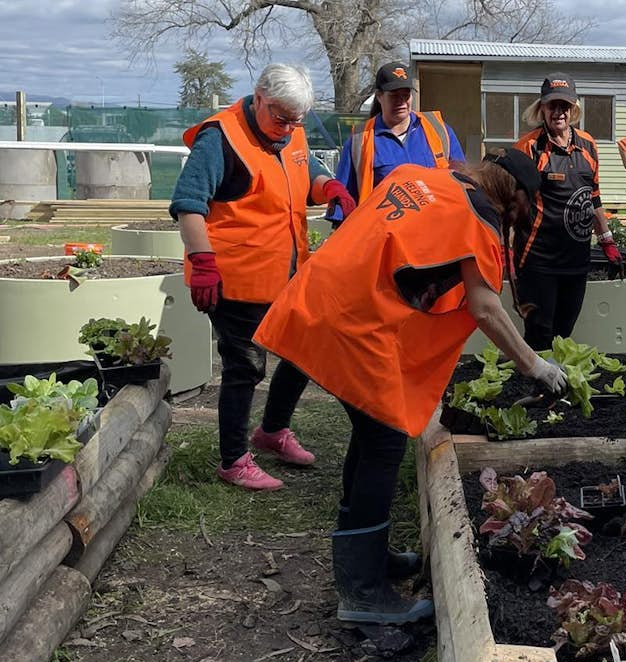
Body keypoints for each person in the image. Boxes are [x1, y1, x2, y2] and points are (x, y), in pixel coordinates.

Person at [254, 151, 567, 626]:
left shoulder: (416, 177)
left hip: (320, 297)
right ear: (514, 194)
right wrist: (535, 366)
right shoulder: (476, 216)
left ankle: (369, 554)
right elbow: (485, 309)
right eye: (524, 207)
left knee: (369, 432)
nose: (519, 218)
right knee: (384, 439)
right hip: (354, 322)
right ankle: (363, 593)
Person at [172, 64, 357, 491]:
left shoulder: (289, 131)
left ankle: (272, 432)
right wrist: (202, 262)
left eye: (297, 120)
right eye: (280, 117)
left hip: (285, 274)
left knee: (303, 350)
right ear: (258, 97)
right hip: (233, 278)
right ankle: (233, 460)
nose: (288, 128)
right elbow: (188, 203)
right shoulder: (220, 138)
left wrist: (329, 186)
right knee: (246, 367)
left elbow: (305, 168)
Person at [513, 73, 621, 349]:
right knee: (539, 337)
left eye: (564, 106)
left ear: (573, 109)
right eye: (552, 106)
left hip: (576, 259)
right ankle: (535, 390)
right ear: (542, 109)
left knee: (563, 336)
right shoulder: (528, 148)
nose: (559, 112)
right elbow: (509, 207)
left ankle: (557, 391)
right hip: (538, 261)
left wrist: (607, 239)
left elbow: (593, 198)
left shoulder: (588, 145)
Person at [329, 61, 465, 224]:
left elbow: (462, 186)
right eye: (394, 96)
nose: (401, 102)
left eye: (405, 95)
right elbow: (344, 202)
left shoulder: (439, 130)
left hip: (436, 232)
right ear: (379, 96)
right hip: (383, 237)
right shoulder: (360, 139)